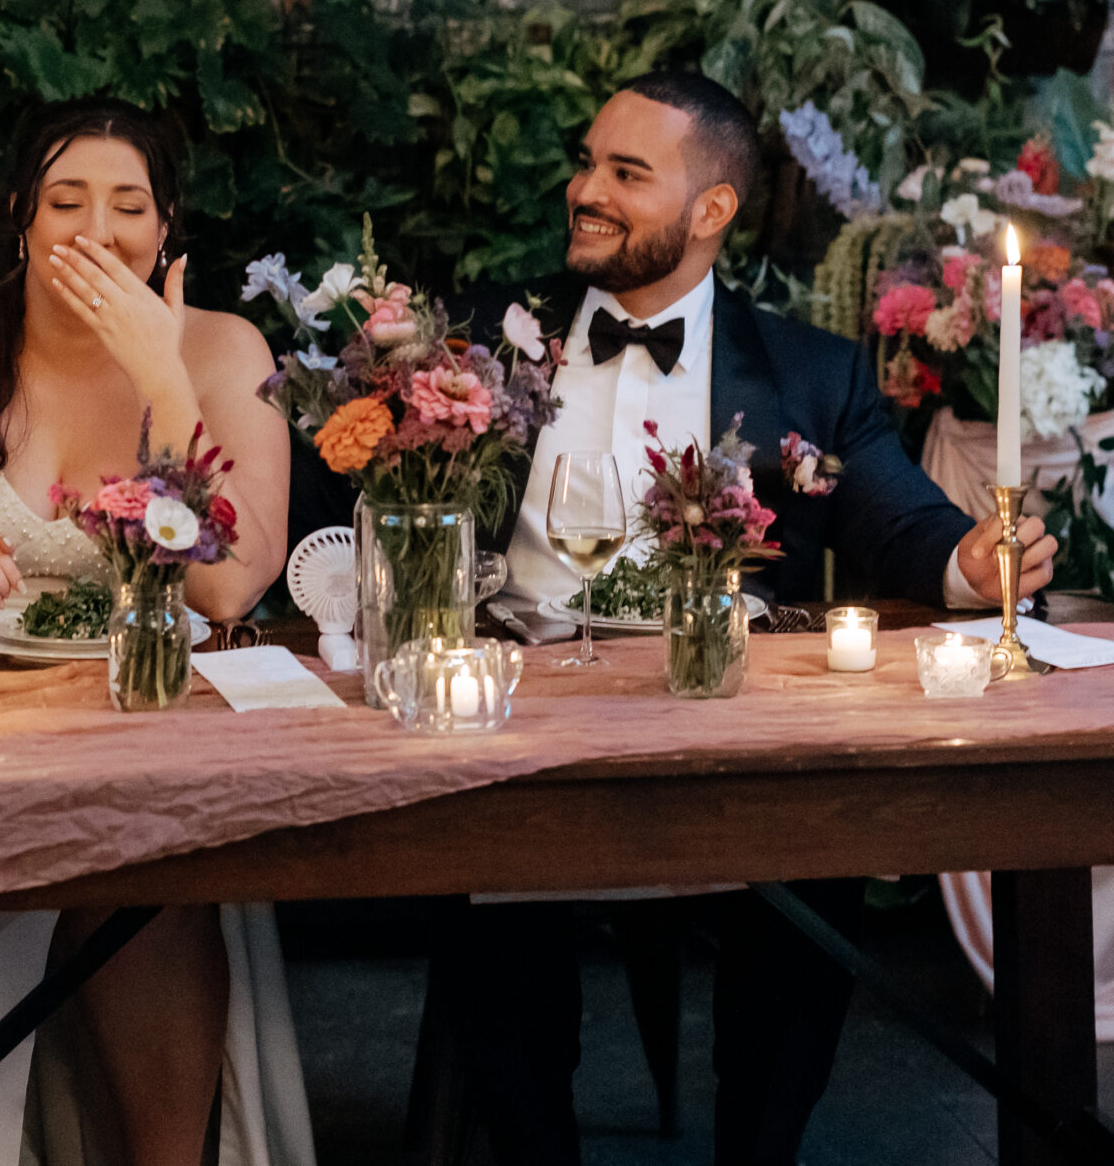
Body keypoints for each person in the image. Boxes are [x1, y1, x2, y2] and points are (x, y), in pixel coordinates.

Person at [418, 70, 1059, 1166]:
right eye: (587, 163)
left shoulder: (808, 372)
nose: (587, 190)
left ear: (711, 207)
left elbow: (902, 523)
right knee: (468, 837)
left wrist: (970, 560)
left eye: (627, 173)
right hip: (515, 713)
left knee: (819, 838)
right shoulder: (478, 339)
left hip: (727, 719)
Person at [0, 99, 314, 1166]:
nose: (97, 229)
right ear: (21, 218)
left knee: (144, 862)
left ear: (164, 229)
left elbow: (229, 588)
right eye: (66, 200)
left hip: (148, 735)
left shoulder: (224, 350)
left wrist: (162, 372)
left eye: (128, 205)